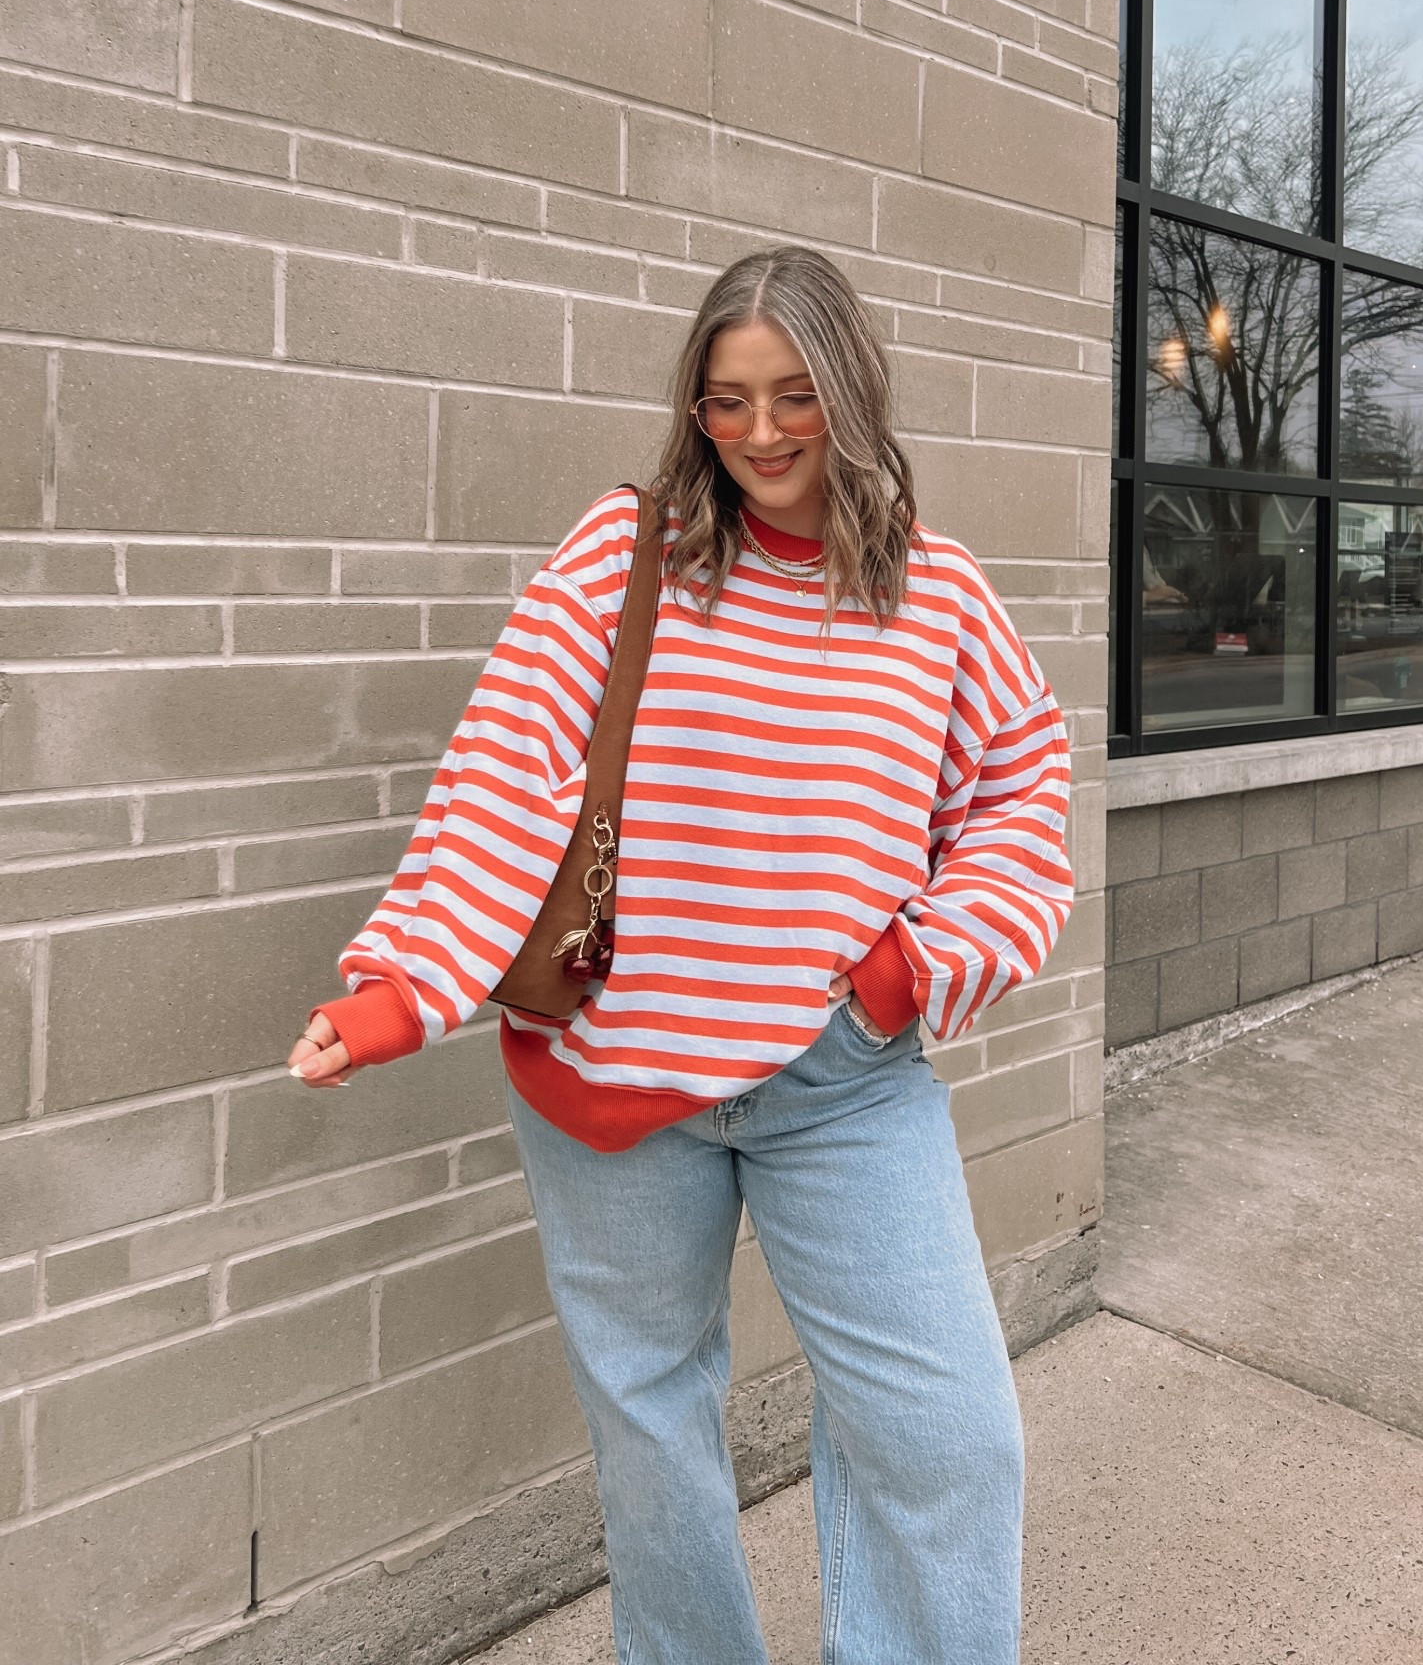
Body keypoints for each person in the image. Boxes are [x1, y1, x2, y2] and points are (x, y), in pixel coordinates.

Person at [288, 246, 1074, 1664]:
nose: (761, 434)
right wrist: (405, 985)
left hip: (842, 1082)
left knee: (950, 1439)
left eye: (793, 398)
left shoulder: (937, 595)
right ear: (694, 408)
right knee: (654, 1442)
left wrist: (914, 968)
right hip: (610, 1080)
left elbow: (1021, 794)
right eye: (726, 402)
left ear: (852, 388)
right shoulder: (626, 554)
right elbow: (507, 770)